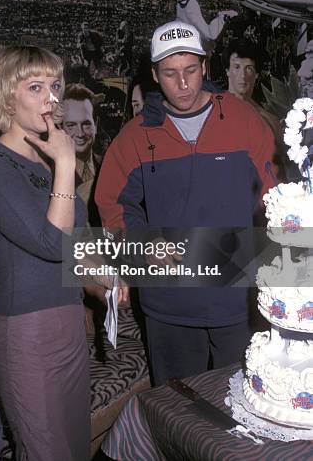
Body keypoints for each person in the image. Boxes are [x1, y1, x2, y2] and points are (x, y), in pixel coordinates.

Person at [95, 19, 277, 385]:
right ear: (154, 75)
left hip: (239, 304)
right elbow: (110, 201)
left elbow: (273, 198)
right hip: (169, 306)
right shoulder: (135, 135)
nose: (182, 83)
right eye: (170, 73)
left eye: (191, 70)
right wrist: (142, 241)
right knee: (178, 416)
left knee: (240, 414)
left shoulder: (244, 120)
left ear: (205, 67)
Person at [0, 46, 91, 461]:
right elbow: (52, 244)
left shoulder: (46, 160)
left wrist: (103, 276)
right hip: (28, 335)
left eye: (55, 86)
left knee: (75, 449)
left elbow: (75, 241)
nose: (51, 98)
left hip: (72, 323)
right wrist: (65, 162)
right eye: (35, 87)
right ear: (6, 98)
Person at [225, 38, 281, 140]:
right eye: (237, 67)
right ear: (227, 71)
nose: (243, 76)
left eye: (249, 68)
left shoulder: (270, 122)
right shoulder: (208, 115)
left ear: (256, 75)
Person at [62, 83, 102, 225]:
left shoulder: (109, 165)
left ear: (95, 125)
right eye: (71, 125)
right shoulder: (50, 174)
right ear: (61, 128)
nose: (80, 133)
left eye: (86, 124)